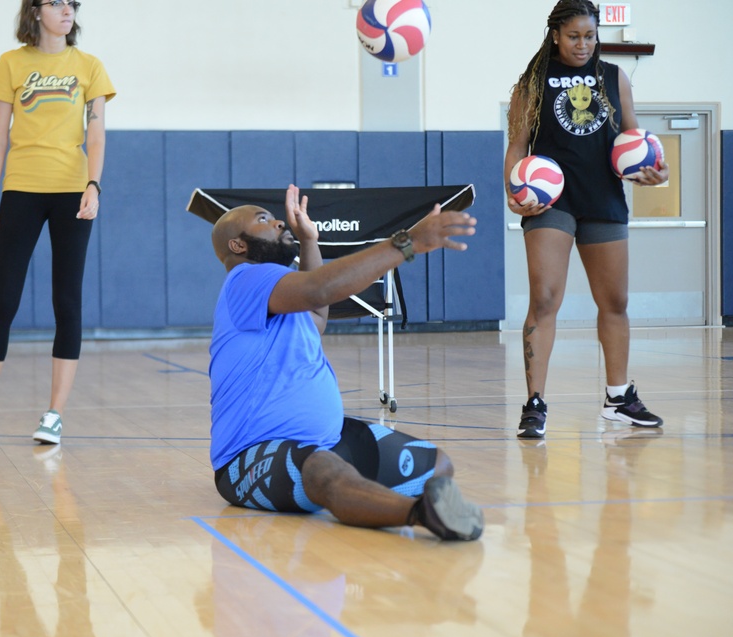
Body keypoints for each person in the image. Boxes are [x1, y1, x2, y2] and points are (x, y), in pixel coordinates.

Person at [208, 184, 483, 542]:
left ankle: (371, 498)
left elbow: (317, 315)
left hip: (323, 441)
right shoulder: (246, 278)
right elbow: (319, 290)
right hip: (247, 459)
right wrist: (406, 243)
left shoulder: (274, 298)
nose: (278, 222)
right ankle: (418, 514)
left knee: (435, 465)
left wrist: (309, 241)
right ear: (238, 245)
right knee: (324, 472)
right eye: (264, 219)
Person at [504, 0, 668, 439]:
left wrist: (653, 169)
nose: (583, 44)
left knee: (614, 303)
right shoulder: (532, 84)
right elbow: (517, 146)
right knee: (545, 299)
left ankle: (619, 399)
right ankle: (535, 404)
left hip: (603, 198)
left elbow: (634, 138)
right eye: (574, 35)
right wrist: (512, 190)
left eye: (590, 36)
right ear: (556, 34)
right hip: (550, 201)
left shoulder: (615, 78)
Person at [0, 0, 115, 446]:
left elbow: (97, 133)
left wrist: (94, 185)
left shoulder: (90, 66)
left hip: (72, 191)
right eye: (56, 2)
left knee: (67, 301)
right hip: (21, 190)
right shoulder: (11, 63)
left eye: (72, 4)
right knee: (3, 299)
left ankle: (54, 415)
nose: (67, 10)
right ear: (35, 11)